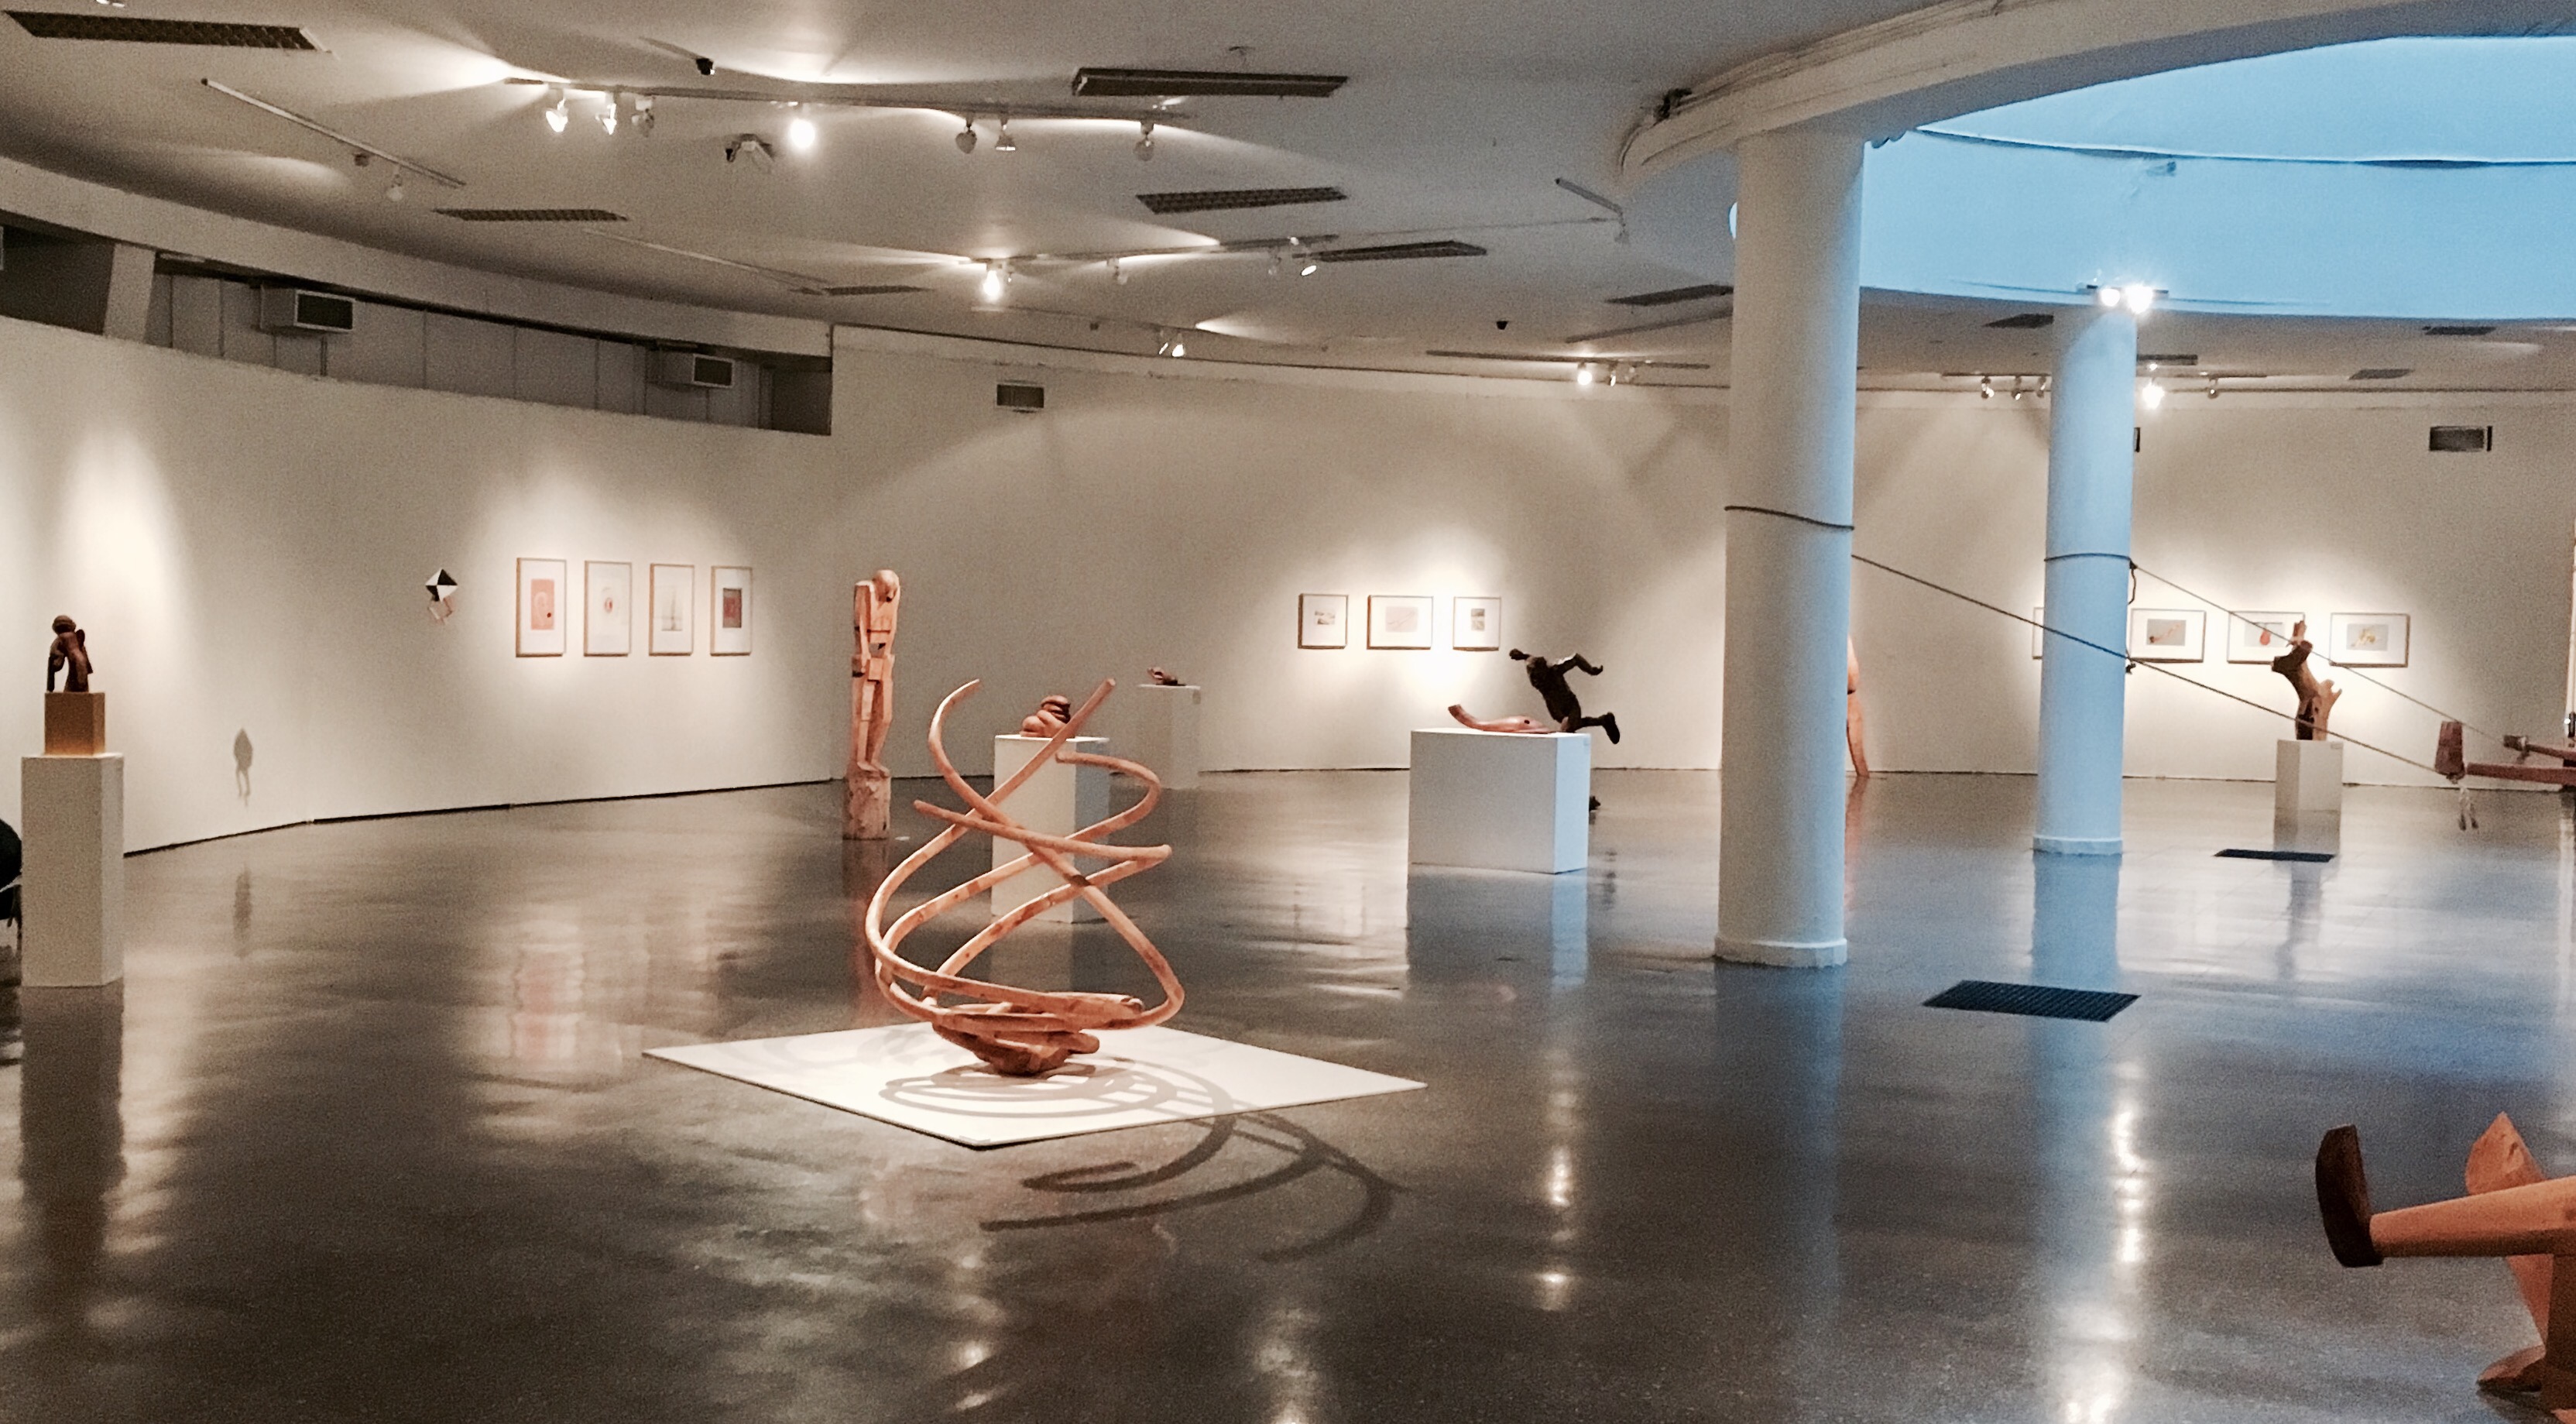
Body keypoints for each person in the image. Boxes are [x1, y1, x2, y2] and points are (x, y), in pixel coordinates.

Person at [1508, 648, 1619, 743]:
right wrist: (1522, 656)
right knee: (1572, 726)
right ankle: (1603, 720)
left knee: (1568, 730)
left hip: (1570, 705)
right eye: (1535, 678)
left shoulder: (1555, 669)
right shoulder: (1536, 674)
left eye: (1538, 676)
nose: (1537, 681)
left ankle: (1603, 721)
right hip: (1555, 708)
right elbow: (1529, 658)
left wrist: (1591, 670)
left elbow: (1575, 658)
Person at [46, 615, 90, 692]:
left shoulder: (62, 637)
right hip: (81, 665)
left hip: (76, 665)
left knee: (72, 690)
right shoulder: (76, 637)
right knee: (81, 690)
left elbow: (54, 654)